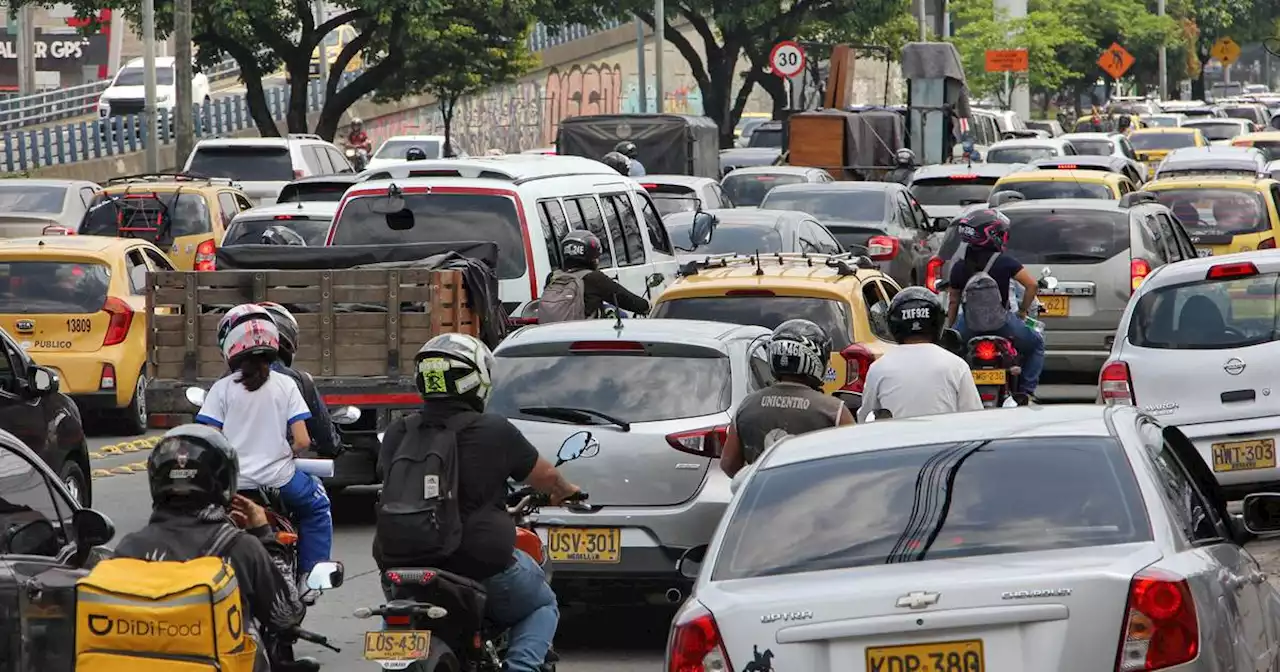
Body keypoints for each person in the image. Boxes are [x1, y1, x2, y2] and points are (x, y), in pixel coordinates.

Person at [374, 333, 583, 672]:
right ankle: (520, 666)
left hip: (399, 565)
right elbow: (546, 477)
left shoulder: (399, 431)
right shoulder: (493, 430)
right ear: (477, 381)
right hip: (479, 563)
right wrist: (568, 490)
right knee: (542, 604)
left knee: (399, 612)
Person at [114, 424, 306, 672]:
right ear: (225, 481)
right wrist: (264, 536)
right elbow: (287, 615)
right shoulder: (241, 547)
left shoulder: (129, 548)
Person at [196, 315, 333, 577]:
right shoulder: (287, 385)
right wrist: (284, 453)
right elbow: (302, 440)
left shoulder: (221, 388)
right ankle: (309, 577)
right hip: (280, 481)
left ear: (230, 346)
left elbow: (209, 441)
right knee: (317, 508)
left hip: (232, 486)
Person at [720, 319, 853, 478]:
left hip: (763, 499)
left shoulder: (747, 405)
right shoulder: (833, 410)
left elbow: (728, 464)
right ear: (816, 359)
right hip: (815, 498)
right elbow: (854, 465)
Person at [944, 209, 1045, 398]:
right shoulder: (1005, 261)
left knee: (951, 355)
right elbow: (1031, 285)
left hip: (969, 326)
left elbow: (953, 302)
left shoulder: (959, 266)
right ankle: (1026, 391)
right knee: (1036, 345)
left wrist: (952, 330)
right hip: (1004, 325)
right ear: (993, 235)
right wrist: (1023, 311)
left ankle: (955, 392)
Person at [857, 287, 983, 422]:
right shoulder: (956, 366)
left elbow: (865, 420)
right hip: (945, 442)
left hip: (896, 442)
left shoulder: (878, 368)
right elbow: (974, 419)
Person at [258, 301, 342, 459]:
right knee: (314, 484)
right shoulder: (297, 382)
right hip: (282, 471)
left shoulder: (224, 384)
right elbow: (316, 440)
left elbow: (211, 437)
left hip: (238, 475)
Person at [542, 230, 649, 320]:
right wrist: (647, 306)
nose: (598, 261)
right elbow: (626, 299)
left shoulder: (552, 276)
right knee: (621, 316)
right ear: (590, 257)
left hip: (551, 335)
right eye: (596, 256)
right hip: (583, 336)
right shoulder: (593, 278)